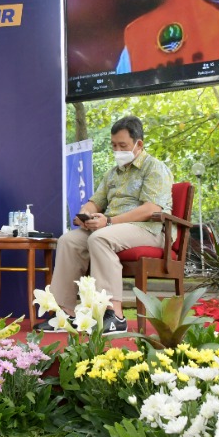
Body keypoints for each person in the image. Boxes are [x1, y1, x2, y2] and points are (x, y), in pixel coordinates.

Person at [44, 116, 173, 335]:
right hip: (114, 228)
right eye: (114, 145)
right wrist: (86, 213)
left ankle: (114, 314)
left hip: (149, 229)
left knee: (100, 237)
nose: (117, 150)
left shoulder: (154, 168)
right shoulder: (113, 173)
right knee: (68, 240)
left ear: (138, 144)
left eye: (122, 145)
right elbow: (96, 202)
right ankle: (65, 313)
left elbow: (151, 209)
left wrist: (109, 221)